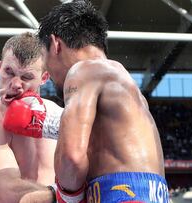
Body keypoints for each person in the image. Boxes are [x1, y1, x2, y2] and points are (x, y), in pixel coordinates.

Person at [33, 1, 169, 202]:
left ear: (55, 44)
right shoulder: (121, 80)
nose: (48, 73)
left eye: (45, 61)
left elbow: (72, 157)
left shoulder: (83, 71)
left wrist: (66, 196)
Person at [0, 32, 63, 203]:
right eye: (9, 72)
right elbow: (10, 193)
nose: (16, 84)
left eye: (27, 77)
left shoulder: (58, 115)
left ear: (44, 77)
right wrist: (69, 194)